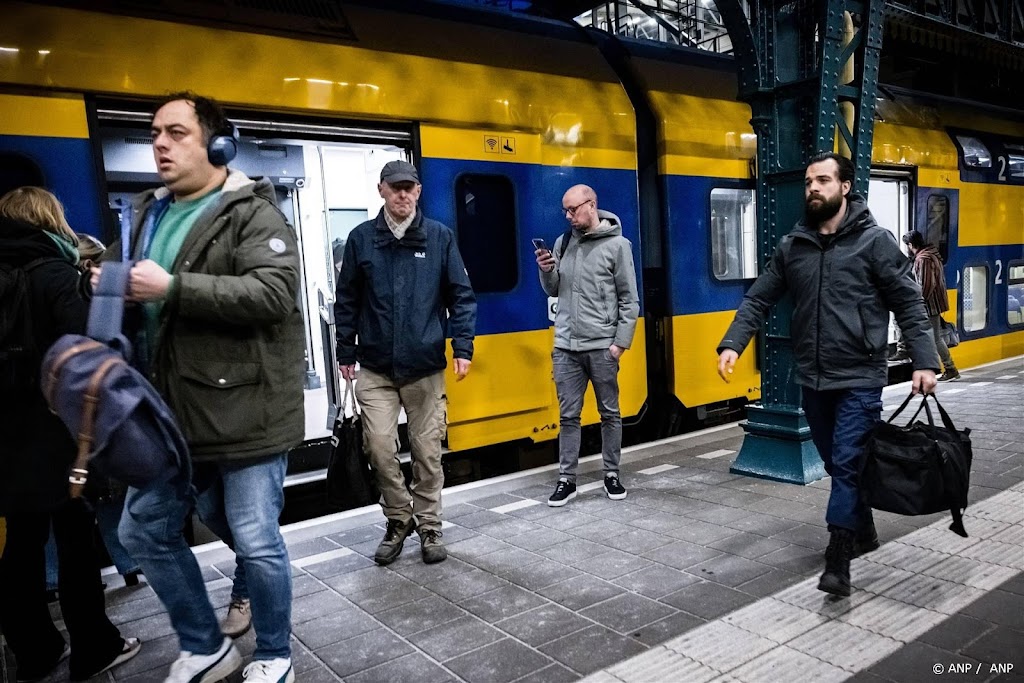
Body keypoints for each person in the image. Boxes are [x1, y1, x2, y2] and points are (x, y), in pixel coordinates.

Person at [96, 92, 305, 683]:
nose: (159, 143)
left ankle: (273, 656)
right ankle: (205, 643)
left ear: (217, 145)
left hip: (245, 411)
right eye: (155, 132)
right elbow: (140, 297)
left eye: (176, 132)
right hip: (171, 414)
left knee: (257, 540)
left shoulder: (251, 212)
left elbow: (274, 294)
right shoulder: (145, 214)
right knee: (142, 530)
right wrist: (108, 285)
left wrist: (171, 287)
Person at [716, 152, 939, 597]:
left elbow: (909, 303)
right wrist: (732, 343)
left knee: (849, 458)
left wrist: (925, 360)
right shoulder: (793, 245)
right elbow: (759, 298)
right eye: (808, 182)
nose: (813, 188)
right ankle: (866, 528)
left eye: (822, 180)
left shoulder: (875, 242)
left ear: (845, 187)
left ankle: (839, 555)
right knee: (840, 462)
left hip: (860, 374)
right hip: (813, 377)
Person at [0, 187, 141, 681]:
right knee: (76, 536)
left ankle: (35, 650)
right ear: (49, 220)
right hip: (54, 430)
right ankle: (95, 646)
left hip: (6, 436)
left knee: (21, 540)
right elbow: (90, 350)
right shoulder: (56, 274)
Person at [334, 159, 476, 566]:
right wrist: (346, 350)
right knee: (378, 449)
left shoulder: (439, 238)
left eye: (409, 187)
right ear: (381, 190)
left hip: (425, 368)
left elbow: (461, 297)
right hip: (376, 368)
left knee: (427, 453)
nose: (402, 194)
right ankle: (399, 518)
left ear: (417, 192)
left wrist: (462, 347)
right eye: (394, 187)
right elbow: (348, 302)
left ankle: (429, 524)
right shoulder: (361, 239)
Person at [535, 184, 639, 507]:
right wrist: (546, 270)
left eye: (573, 209)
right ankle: (567, 480)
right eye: (565, 211)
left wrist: (619, 345)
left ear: (591, 205)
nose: (568, 216)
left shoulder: (618, 246)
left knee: (610, 413)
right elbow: (554, 290)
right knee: (568, 416)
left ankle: (611, 473)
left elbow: (630, 299)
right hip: (566, 346)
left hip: (602, 347)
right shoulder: (563, 243)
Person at [904, 230, 959, 381]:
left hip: (930, 304)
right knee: (933, 336)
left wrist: (919, 302)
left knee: (935, 338)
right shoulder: (932, 254)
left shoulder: (923, 259)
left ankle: (950, 368)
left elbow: (926, 284)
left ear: (911, 244)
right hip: (934, 302)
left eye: (907, 245)